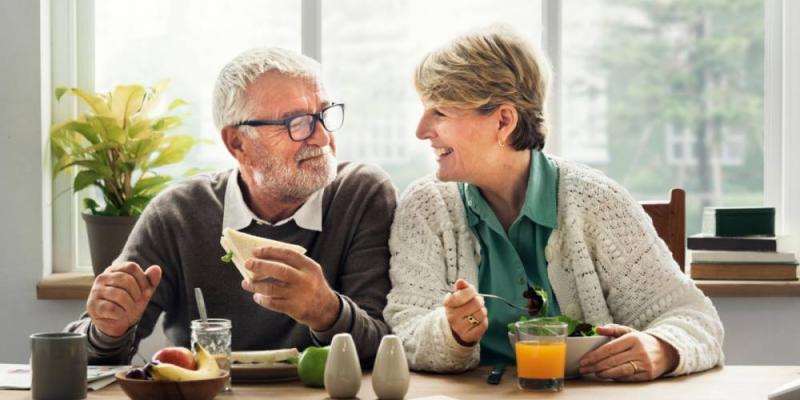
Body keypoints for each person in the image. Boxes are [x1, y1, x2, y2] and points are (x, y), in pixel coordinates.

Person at [383, 25, 724, 380]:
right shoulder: (426, 207)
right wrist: (452, 332)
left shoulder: (597, 202)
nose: (421, 130)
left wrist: (663, 347)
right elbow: (404, 331)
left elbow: (694, 318)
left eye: (439, 112)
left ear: (503, 120)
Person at [66, 47, 397, 366]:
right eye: (296, 123)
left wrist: (326, 311)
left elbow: (386, 349)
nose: (323, 138)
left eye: (324, 114)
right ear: (237, 143)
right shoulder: (178, 213)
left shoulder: (361, 195)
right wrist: (107, 330)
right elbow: (87, 358)